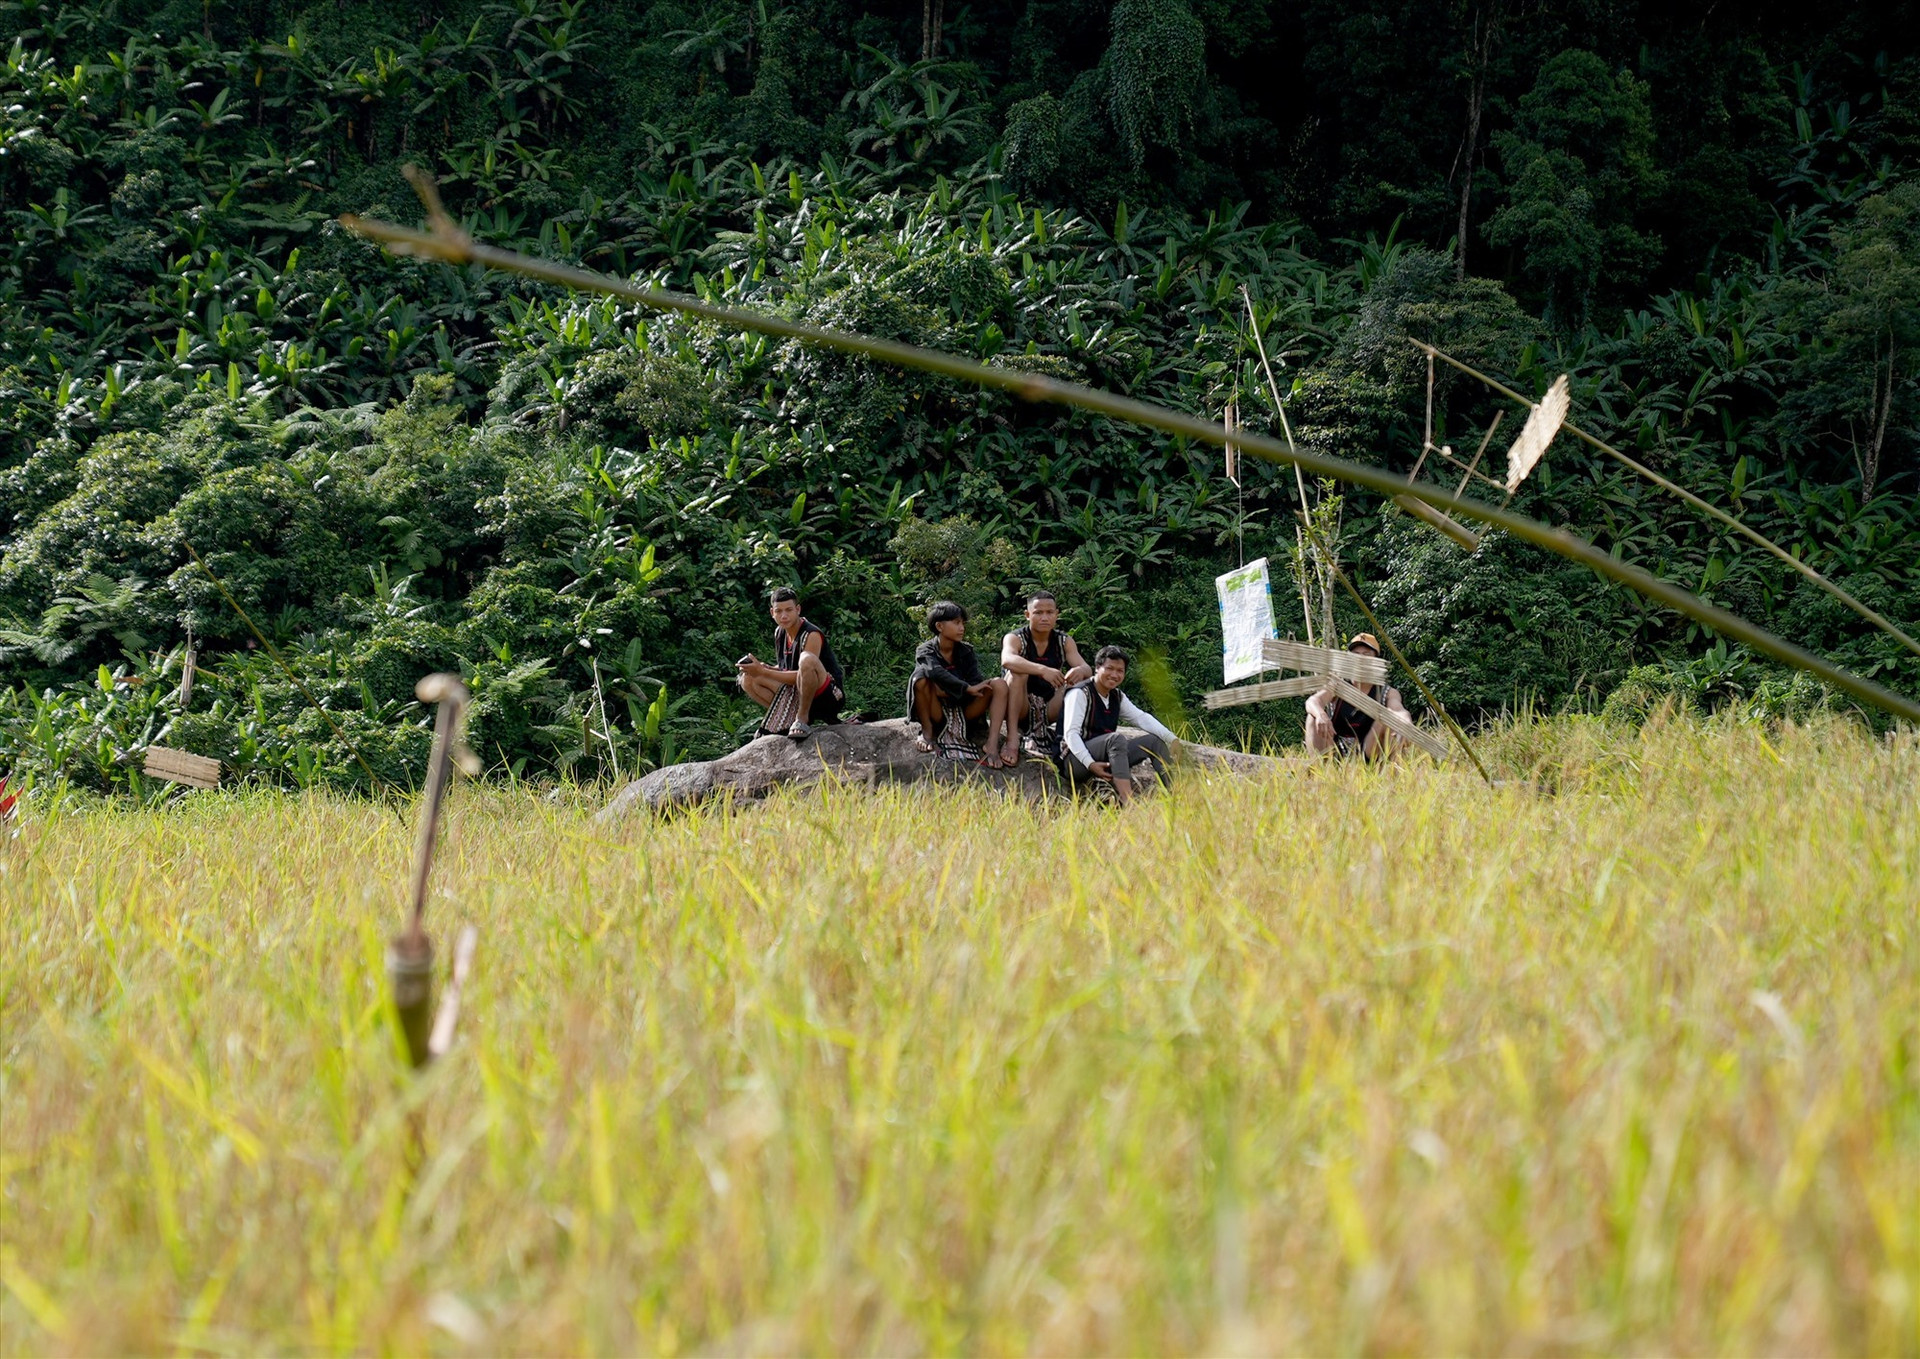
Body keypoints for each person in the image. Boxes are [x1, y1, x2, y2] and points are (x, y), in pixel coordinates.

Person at [1061, 646, 1180, 805]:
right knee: (1115, 739)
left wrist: (1172, 739)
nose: (1114, 675)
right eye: (1109, 668)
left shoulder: (1116, 696)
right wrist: (1090, 764)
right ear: (1097, 668)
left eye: (1120, 671)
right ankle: (1127, 801)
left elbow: (1140, 718)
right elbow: (1071, 734)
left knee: (1154, 742)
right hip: (1075, 761)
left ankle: (1175, 796)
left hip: (1107, 756)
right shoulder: (1080, 693)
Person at [907, 601, 1012, 763]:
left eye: (962, 623)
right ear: (940, 626)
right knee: (919, 679)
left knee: (999, 683)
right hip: (937, 713)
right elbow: (934, 672)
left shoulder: (966, 650)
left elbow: (975, 681)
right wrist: (966, 688)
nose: (962, 627)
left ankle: (991, 745)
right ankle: (927, 732)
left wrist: (952, 690)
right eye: (956, 623)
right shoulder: (925, 650)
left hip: (965, 712)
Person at [735, 586, 846, 741]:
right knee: (747, 679)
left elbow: (804, 672)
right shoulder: (779, 633)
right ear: (772, 612)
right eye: (779, 611)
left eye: (789, 610)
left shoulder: (811, 634)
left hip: (827, 695)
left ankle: (802, 719)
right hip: (798, 693)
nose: (784, 616)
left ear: (798, 609)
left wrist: (764, 672)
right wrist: (762, 668)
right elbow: (786, 670)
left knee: (807, 659)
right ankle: (788, 719)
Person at [1000, 590, 1091, 764]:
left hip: (1049, 707)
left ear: (1057, 614)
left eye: (1049, 612)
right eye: (1038, 612)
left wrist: (1079, 671)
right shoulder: (1015, 637)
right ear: (1028, 615)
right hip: (1020, 706)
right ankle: (1012, 738)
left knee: (1081, 683)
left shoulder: (1064, 641)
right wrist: (1042, 670)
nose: (1044, 617)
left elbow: (1086, 668)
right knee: (1017, 673)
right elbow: (1007, 660)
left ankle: (1070, 739)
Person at [1303, 632, 1409, 759]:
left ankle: (1388, 772)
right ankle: (1322, 770)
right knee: (1312, 718)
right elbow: (1313, 701)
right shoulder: (1337, 686)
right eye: (1356, 655)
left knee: (1388, 719)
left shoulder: (1386, 692)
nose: (1360, 660)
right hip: (1338, 752)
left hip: (1371, 751)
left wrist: (1406, 724)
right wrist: (1321, 715)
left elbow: (1399, 711)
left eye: (1366, 655)